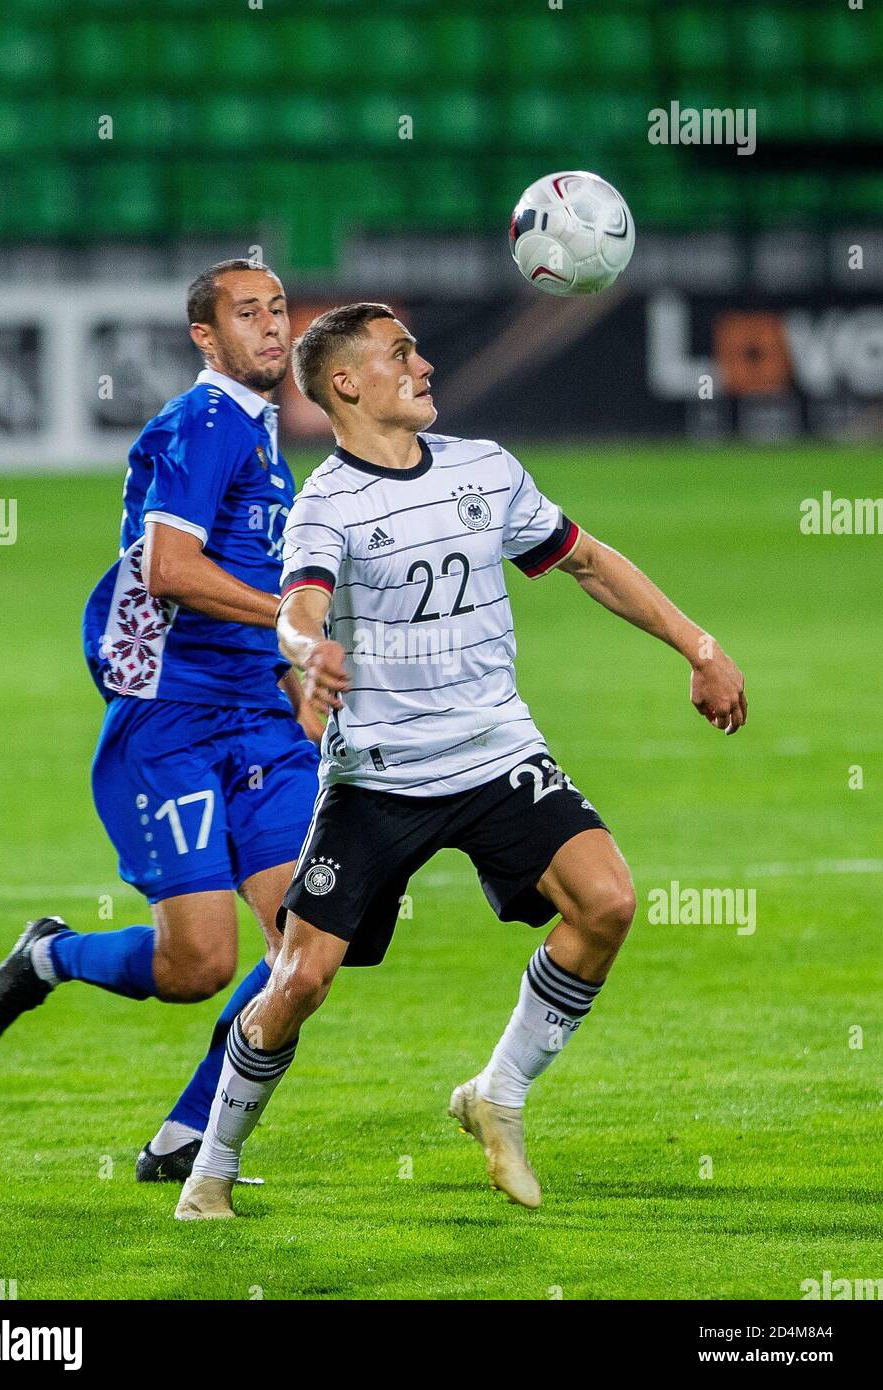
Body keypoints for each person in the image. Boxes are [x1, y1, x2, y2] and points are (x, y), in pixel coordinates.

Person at [175, 302, 747, 1219]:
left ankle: (499, 1094)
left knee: (606, 902)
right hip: (380, 779)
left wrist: (699, 645)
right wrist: (304, 649)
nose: (425, 365)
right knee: (301, 979)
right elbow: (300, 605)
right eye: (401, 354)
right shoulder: (328, 500)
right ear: (346, 386)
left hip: (496, 753)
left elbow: (588, 561)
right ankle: (213, 1165)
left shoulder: (487, 468)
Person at [0, 261, 321, 1184]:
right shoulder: (204, 423)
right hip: (172, 721)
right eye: (248, 314)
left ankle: (189, 1133)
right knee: (200, 963)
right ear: (206, 337)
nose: (272, 328)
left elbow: (244, 570)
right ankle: (53, 956)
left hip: (258, 723)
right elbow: (170, 569)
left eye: (279, 310)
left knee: (308, 945)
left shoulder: (261, 435)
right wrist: (288, 622)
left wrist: (290, 675)